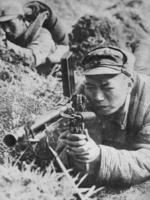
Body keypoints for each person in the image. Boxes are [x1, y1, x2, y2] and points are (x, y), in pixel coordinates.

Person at [58, 45, 150, 187]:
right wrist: (72, 149)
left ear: (129, 84)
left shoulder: (147, 103)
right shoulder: (83, 93)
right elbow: (60, 147)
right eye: (91, 87)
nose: (98, 97)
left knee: (144, 56)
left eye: (107, 87)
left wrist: (100, 155)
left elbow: (146, 161)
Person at [0, 0, 69, 75]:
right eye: (2, 25)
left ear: (22, 19)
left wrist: (5, 45)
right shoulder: (11, 37)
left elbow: (31, 59)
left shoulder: (42, 35)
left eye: (10, 24)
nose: (6, 29)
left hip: (48, 80)